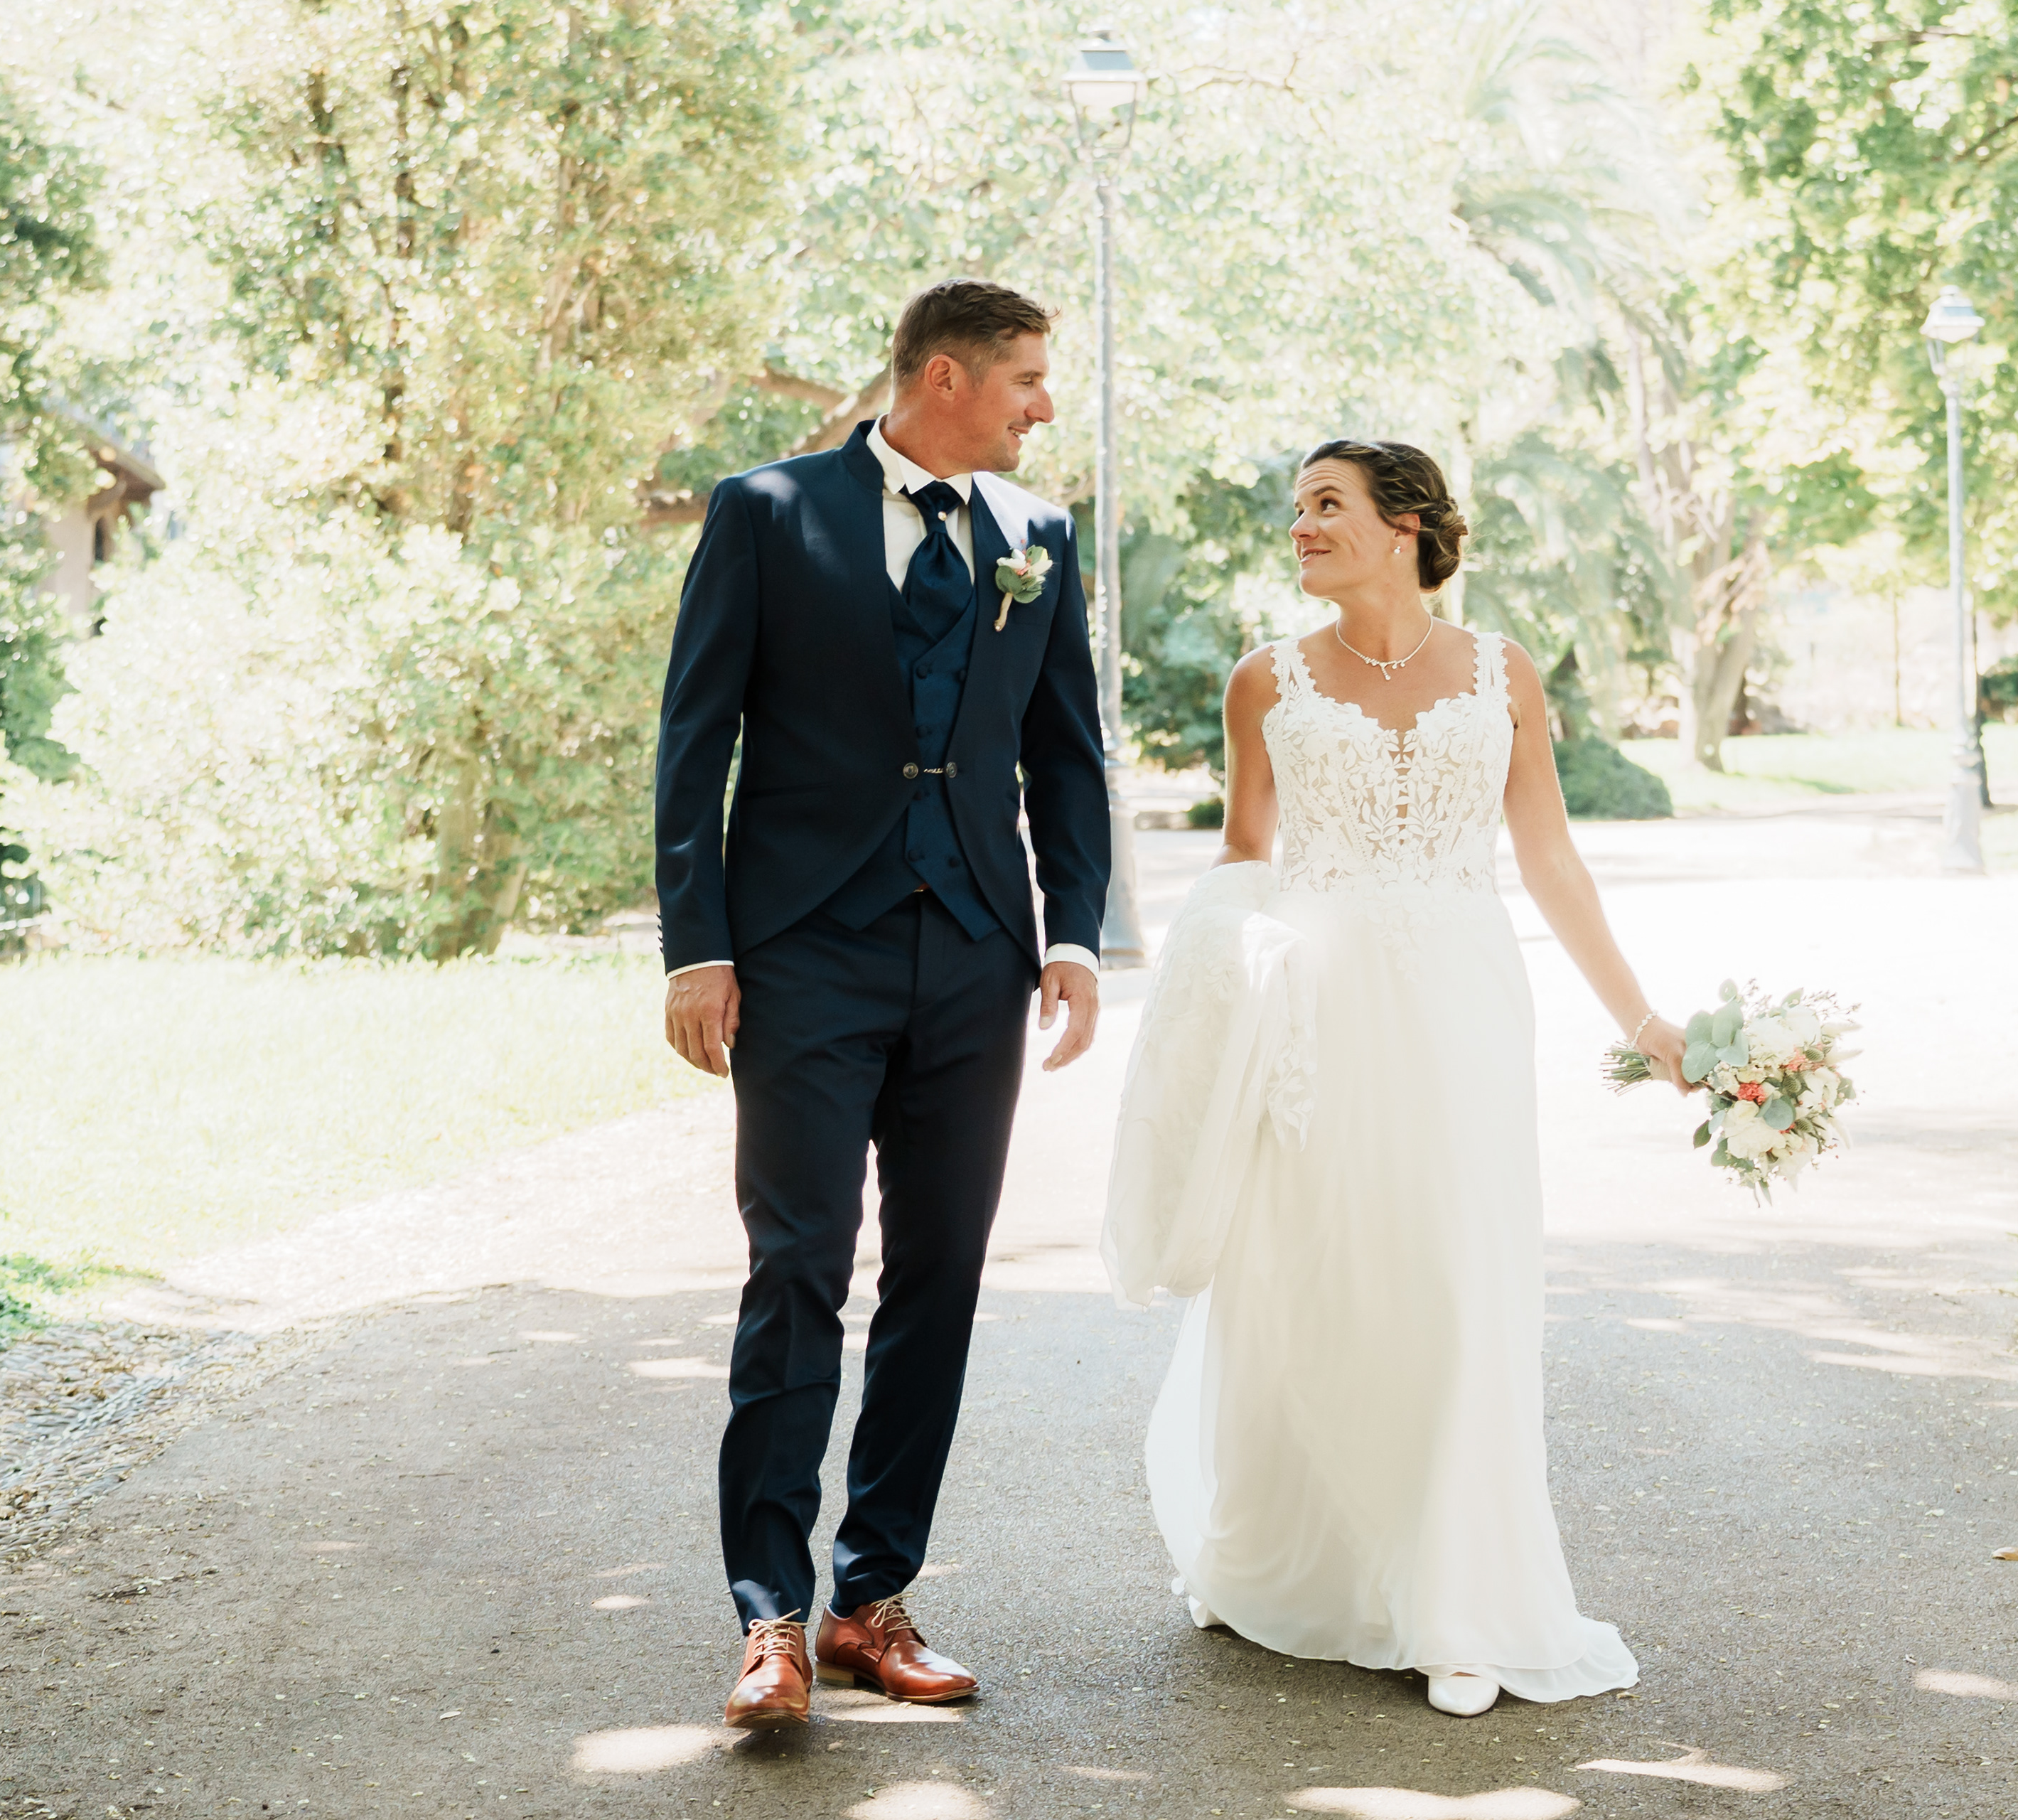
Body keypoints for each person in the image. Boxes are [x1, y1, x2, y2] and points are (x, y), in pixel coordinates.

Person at [1103, 439, 1691, 1718]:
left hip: (1462, 1006)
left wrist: (1646, 1022)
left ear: (1408, 525)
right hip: (1315, 1016)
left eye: (1328, 505)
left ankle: (1461, 1604)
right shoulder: (1264, 680)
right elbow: (1244, 856)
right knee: (1315, 1279)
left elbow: (1551, 862)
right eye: (1298, 508)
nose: (1302, 527)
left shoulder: (1503, 672)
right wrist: (1214, 1005)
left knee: (1460, 1281)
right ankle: (1299, 1563)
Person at [655, 278, 1110, 1730]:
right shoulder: (768, 510)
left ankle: (871, 1599)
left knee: (940, 1275)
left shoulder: (1038, 538)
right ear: (946, 377)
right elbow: (696, 737)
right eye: (1027, 378)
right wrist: (697, 947)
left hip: (976, 953)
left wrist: (1075, 933)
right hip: (802, 952)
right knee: (796, 1268)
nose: (1045, 405)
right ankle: (770, 1616)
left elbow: (1068, 753)